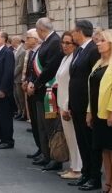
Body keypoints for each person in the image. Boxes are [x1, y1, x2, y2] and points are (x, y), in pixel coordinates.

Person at [87, 30, 112, 193]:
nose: (98, 43)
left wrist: (110, 112)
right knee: (104, 148)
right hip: (97, 112)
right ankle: (108, 182)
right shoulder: (99, 63)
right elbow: (92, 90)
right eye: (98, 40)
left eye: (102, 40)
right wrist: (89, 111)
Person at [68, 20, 101, 191]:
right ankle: (86, 173)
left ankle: (95, 177)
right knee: (82, 141)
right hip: (76, 105)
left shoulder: (93, 50)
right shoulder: (79, 51)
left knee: (90, 143)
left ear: (80, 32)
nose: (71, 34)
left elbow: (94, 81)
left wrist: (90, 109)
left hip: (87, 106)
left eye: (73, 31)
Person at [27, 18, 64, 171]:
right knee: (42, 126)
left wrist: (35, 83)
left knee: (50, 126)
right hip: (41, 91)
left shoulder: (54, 41)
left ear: (41, 29)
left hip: (48, 91)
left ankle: (55, 157)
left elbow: (50, 68)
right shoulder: (47, 42)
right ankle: (45, 153)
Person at [55, 31, 82, 179]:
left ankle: (78, 169)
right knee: (70, 138)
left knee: (75, 137)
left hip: (68, 104)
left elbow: (73, 84)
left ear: (75, 44)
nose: (64, 46)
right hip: (62, 102)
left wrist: (66, 106)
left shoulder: (74, 59)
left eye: (68, 43)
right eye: (63, 43)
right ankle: (73, 166)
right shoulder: (65, 58)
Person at [23, 29, 42, 160]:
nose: (26, 39)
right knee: (34, 123)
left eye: (28, 37)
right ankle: (39, 148)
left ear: (36, 39)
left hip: (37, 91)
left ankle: (43, 149)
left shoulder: (39, 52)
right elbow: (30, 71)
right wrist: (26, 81)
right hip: (29, 89)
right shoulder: (31, 53)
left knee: (40, 124)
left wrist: (32, 83)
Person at [12, 36, 26, 120]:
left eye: (13, 40)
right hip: (14, 78)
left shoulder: (22, 51)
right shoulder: (15, 51)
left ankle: (23, 113)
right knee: (16, 96)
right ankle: (19, 111)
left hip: (18, 77)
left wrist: (13, 74)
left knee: (21, 97)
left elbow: (20, 66)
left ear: (16, 41)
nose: (11, 42)